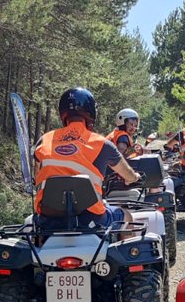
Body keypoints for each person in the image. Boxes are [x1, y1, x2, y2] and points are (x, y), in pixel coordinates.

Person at [34, 87, 140, 231]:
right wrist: (133, 177)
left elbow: (37, 176)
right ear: (91, 113)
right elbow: (127, 173)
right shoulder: (100, 143)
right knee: (127, 216)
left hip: (49, 219)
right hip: (90, 219)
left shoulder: (44, 140)